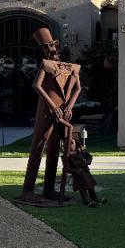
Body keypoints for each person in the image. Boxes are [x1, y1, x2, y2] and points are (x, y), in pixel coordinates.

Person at [16, 28, 81, 207]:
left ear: (57, 46)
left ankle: (48, 189)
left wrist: (69, 106)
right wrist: (53, 106)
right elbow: (37, 85)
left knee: (53, 149)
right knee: (38, 147)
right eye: (46, 47)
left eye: (52, 46)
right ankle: (27, 190)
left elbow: (78, 88)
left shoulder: (68, 67)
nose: (51, 50)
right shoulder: (45, 65)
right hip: (46, 111)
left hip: (62, 111)